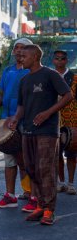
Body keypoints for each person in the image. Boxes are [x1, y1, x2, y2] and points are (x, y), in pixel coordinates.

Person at [8, 44, 72, 225]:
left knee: (45, 169)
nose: (21, 58)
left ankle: (49, 210)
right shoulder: (24, 80)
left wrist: (48, 113)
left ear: (35, 57)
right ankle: (40, 206)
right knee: (31, 168)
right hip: (27, 130)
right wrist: (15, 118)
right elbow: (21, 106)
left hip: (47, 131)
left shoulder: (50, 74)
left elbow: (68, 96)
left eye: (24, 56)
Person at [0, 38, 35, 211]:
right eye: (16, 47)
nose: (18, 51)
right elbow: (2, 93)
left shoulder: (32, 72)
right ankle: (10, 195)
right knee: (10, 160)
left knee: (26, 160)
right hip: (7, 120)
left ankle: (31, 194)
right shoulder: (8, 70)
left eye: (23, 48)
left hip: (26, 120)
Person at [53, 50, 77, 195]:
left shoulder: (75, 78)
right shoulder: (49, 76)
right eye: (57, 59)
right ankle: (60, 182)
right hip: (54, 119)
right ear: (54, 60)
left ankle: (71, 183)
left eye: (62, 59)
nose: (60, 61)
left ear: (66, 60)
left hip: (72, 119)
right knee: (57, 153)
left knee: (72, 153)